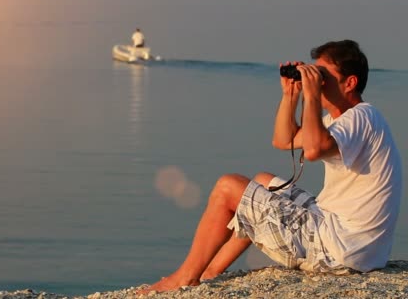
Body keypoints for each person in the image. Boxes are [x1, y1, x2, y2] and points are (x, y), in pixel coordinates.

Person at [139, 39, 403, 293]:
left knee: (227, 187)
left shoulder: (362, 116)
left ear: (350, 83)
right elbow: (283, 140)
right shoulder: (344, 121)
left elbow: (313, 150)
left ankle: (185, 276)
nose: (317, 80)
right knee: (263, 182)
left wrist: (311, 97)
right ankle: (210, 271)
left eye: (323, 74)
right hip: (352, 244)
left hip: (340, 251)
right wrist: (291, 94)